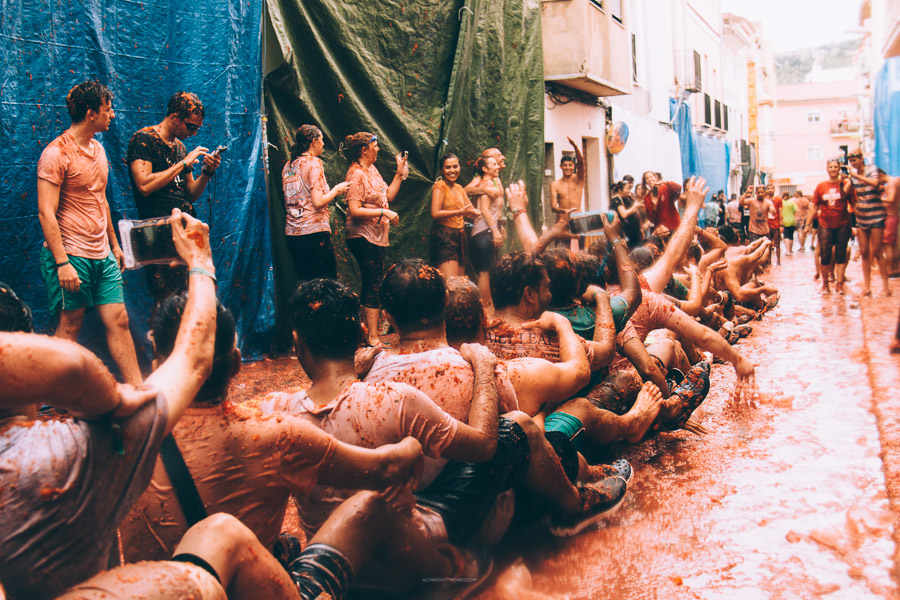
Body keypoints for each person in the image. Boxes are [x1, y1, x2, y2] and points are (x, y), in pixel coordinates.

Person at [1, 209, 216, 599]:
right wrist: (201, 263)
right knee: (201, 575)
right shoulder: (66, 453)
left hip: (98, 251)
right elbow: (194, 358)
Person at [120, 293, 423, 562]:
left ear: (157, 366)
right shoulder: (276, 434)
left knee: (286, 544)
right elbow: (385, 469)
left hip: (148, 587)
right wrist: (411, 445)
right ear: (237, 363)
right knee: (368, 506)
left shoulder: (118, 436)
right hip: (248, 587)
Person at [36, 80, 141, 385]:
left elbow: (101, 199)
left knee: (119, 321)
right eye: (108, 109)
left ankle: (139, 390)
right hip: (70, 254)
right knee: (70, 326)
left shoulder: (98, 149)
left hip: (102, 254)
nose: (112, 115)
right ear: (91, 113)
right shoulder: (56, 154)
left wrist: (115, 245)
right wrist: (62, 262)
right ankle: (51, 395)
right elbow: (46, 212)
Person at [127, 91, 222, 311]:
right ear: (175, 118)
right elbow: (144, 185)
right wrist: (183, 164)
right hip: (158, 229)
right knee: (165, 298)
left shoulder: (179, 147)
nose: (195, 133)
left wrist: (206, 172)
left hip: (184, 227)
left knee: (189, 292)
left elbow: (190, 193)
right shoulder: (144, 139)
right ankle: (163, 345)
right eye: (191, 126)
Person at [341, 131, 409, 346]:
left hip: (377, 234)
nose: (378, 149)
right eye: (375, 145)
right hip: (361, 234)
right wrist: (384, 213)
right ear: (364, 149)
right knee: (373, 280)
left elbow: (387, 196)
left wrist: (399, 174)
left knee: (375, 280)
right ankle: (372, 337)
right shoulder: (356, 174)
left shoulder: (373, 171)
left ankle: (370, 334)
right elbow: (354, 209)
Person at [281, 124, 351, 282]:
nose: (323, 144)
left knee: (305, 283)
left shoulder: (288, 166)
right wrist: (336, 190)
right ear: (314, 141)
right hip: (314, 234)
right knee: (327, 284)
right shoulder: (314, 163)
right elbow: (318, 202)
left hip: (292, 235)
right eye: (322, 140)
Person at [807, 159, 855, 294]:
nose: (833, 169)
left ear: (839, 168)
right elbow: (814, 206)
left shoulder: (846, 185)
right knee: (825, 254)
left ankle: (839, 284)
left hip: (843, 223)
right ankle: (825, 284)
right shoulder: (821, 186)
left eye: (836, 167)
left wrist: (859, 222)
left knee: (841, 254)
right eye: (831, 167)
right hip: (825, 224)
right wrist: (807, 224)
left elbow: (854, 204)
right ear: (827, 169)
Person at [848, 150, 891, 297]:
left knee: (877, 251)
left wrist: (855, 175)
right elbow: (850, 194)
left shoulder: (872, 170)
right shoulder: (853, 177)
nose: (853, 163)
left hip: (877, 215)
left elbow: (874, 183)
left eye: (855, 160)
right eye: (851, 161)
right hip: (862, 217)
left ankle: (885, 286)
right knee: (864, 252)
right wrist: (854, 205)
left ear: (861, 159)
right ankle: (867, 287)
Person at [430, 153, 480, 278]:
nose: (452, 170)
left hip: (461, 237)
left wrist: (480, 215)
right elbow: (435, 213)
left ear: (459, 168)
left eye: (455, 166)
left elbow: (471, 211)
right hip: (445, 238)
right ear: (441, 170)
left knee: (459, 285)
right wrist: (460, 212)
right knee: (450, 283)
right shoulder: (440, 185)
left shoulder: (459, 188)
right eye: (448, 167)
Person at [468, 155, 506, 312]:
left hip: (487, 231)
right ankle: (484, 309)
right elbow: (484, 210)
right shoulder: (486, 183)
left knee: (488, 271)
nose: (497, 167)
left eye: (498, 164)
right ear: (484, 168)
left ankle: (488, 307)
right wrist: (495, 230)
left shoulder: (493, 182)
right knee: (484, 272)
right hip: (484, 232)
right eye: (494, 164)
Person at [550, 137, 586, 252]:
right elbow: (553, 206)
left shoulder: (579, 180)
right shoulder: (555, 184)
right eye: (565, 165)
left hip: (578, 220)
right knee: (561, 253)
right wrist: (565, 211)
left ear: (574, 166)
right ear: (561, 166)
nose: (567, 168)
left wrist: (575, 146)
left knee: (580, 252)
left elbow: (581, 164)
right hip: (562, 220)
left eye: (570, 165)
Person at [610, 181, 644, 247]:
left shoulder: (625, 198)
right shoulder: (617, 200)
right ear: (620, 190)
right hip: (622, 230)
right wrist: (635, 206)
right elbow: (624, 214)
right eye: (627, 189)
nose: (629, 191)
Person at [765, 183, 783, 266]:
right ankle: (768, 261)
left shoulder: (778, 199)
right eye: (768, 188)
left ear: (774, 189)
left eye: (771, 188)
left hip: (776, 224)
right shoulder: (764, 199)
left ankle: (778, 261)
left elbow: (780, 212)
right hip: (767, 225)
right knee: (768, 244)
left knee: (777, 244)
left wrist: (781, 225)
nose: (770, 190)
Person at [782, 192, 797, 256]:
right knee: (791, 236)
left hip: (784, 221)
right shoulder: (792, 202)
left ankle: (787, 251)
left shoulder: (781, 202)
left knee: (786, 236)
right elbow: (796, 210)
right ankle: (790, 250)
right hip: (792, 221)